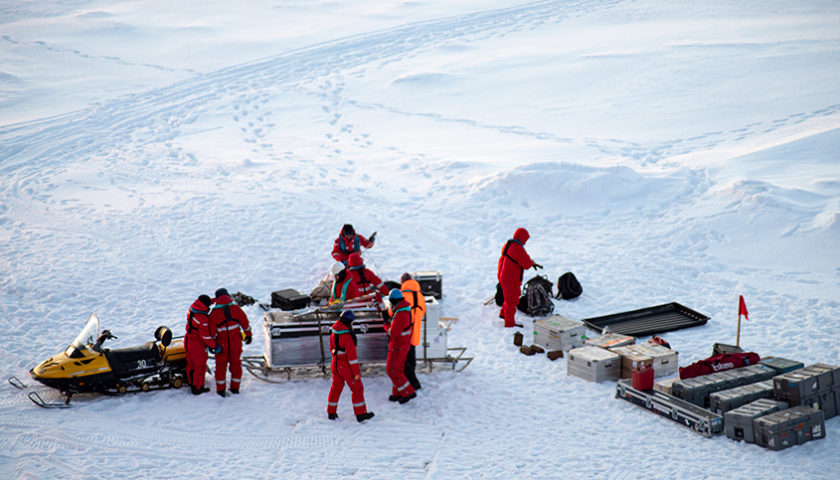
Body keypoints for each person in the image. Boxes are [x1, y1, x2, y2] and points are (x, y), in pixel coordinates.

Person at [327, 310, 375, 423]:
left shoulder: (334, 333)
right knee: (357, 388)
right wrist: (356, 373)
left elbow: (331, 348)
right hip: (346, 366)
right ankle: (360, 414)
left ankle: (331, 412)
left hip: (335, 364)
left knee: (336, 388)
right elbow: (352, 358)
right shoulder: (347, 336)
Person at [209, 288, 252, 397]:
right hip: (236, 342)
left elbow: (212, 332)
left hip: (221, 345)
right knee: (236, 365)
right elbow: (245, 322)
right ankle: (235, 388)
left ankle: (221, 390)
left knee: (220, 367)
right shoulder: (236, 309)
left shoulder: (214, 313)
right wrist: (248, 335)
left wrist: (212, 344)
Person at [497, 228, 542, 328]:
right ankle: (509, 323)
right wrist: (532, 263)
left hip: (503, 275)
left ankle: (503, 314)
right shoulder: (517, 248)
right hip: (510, 278)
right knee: (512, 300)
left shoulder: (508, 244)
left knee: (511, 296)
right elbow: (526, 263)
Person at [383, 289, 417, 404]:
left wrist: (386, 324)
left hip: (398, 346)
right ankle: (397, 393)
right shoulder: (403, 310)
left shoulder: (401, 314)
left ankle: (408, 392)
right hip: (401, 345)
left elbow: (393, 333)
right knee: (397, 369)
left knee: (392, 369)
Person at [184, 294, 221, 395]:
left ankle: (192, 383)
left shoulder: (193, 308)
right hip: (197, 344)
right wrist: (214, 346)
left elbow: (205, 302)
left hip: (188, 340)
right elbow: (205, 337)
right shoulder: (202, 319)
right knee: (199, 367)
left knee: (191, 365)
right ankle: (198, 388)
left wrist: (216, 300)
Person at [399, 273, 425, 391]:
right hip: (415, 330)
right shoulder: (420, 295)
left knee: (403, 358)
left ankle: (413, 382)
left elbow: (393, 312)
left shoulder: (402, 295)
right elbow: (423, 311)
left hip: (405, 330)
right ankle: (412, 379)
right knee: (411, 357)